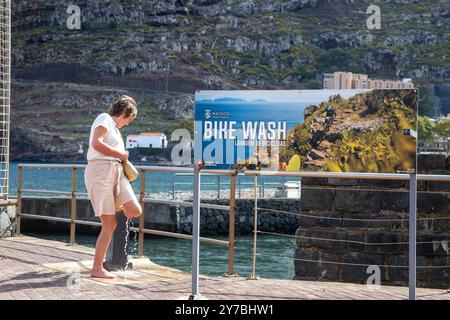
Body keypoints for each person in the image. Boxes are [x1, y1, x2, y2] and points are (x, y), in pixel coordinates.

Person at [84, 95, 143, 279]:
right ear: (125, 112)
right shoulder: (104, 119)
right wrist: (120, 153)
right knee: (109, 224)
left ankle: (114, 204)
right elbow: (96, 143)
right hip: (100, 171)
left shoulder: (116, 131)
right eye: (130, 118)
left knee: (134, 209)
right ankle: (96, 268)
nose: (128, 123)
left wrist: (120, 156)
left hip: (117, 173)